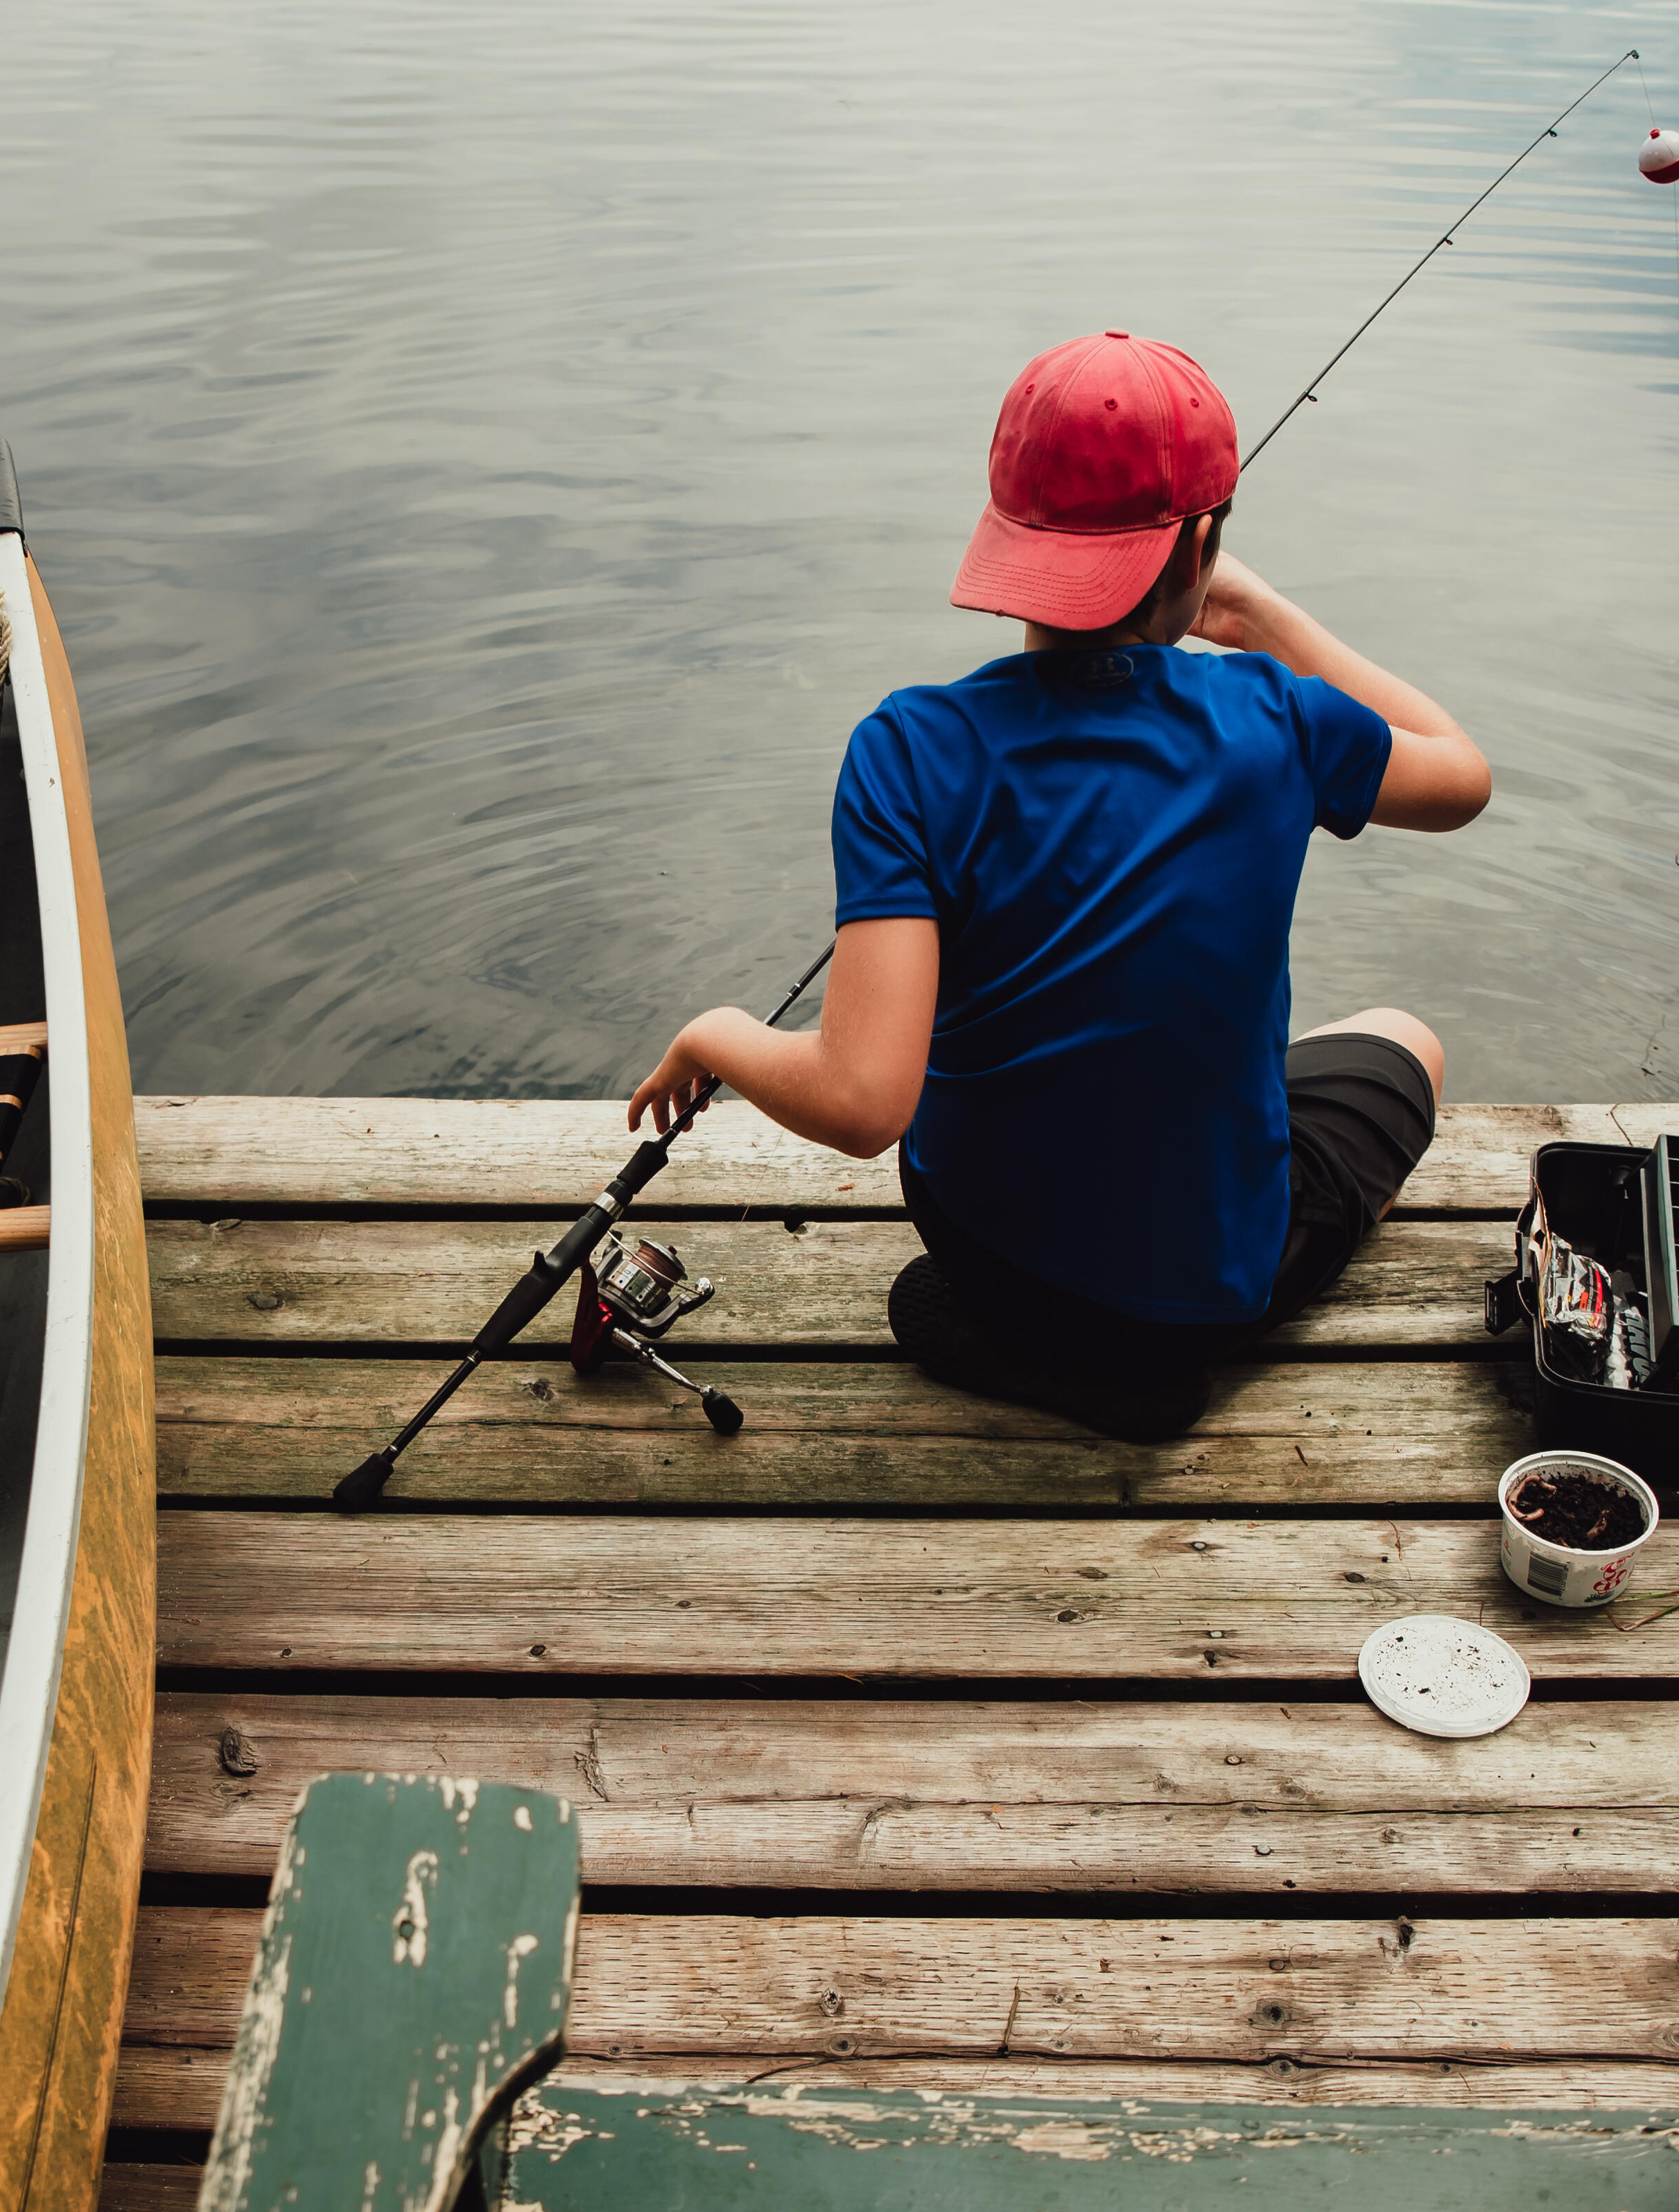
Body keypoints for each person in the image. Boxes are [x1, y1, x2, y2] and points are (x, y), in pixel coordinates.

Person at [625, 329, 1492, 1439]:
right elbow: (1461, 777)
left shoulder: (908, 747)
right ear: (1197, 554)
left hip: (985, 1243)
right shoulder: (1280, 715)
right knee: (1403, 1035)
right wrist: (1261, 615)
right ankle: (1154, 1353)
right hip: (1202, 1300)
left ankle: (1049, 1337)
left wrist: (717, 1032)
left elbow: (860, 1104)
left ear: (1012, 540)